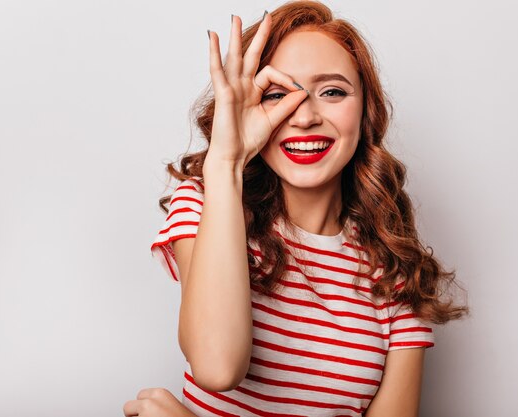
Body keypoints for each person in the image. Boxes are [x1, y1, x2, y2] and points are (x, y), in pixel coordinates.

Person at [124, 1, 467, 416]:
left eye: (333, 91)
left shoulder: (395, 268)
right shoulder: (208, 201)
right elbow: (217, 367)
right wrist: (226, 163)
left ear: (366, 111)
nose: (304, 116)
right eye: (277, 94)